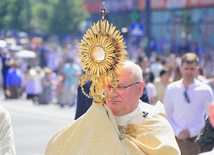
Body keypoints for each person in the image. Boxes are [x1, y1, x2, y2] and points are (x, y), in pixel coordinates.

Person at [45, 60, 180, 155]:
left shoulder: (155, 125)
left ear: (139, 89)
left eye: (120, 87)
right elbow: (59, 147)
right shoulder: (92, 118)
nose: (112, 92)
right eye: (108, 86)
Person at [163, 53, 214, 155]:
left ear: (197, 69)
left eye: (192, 69)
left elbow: (210, 118)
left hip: (197, 142)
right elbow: (166, 114)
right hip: (175, 140)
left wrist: (191, 131)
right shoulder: (172, 89)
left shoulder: (205, 90)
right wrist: (178, 131)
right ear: (181, 68)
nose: (189, 72)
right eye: (186, 68)